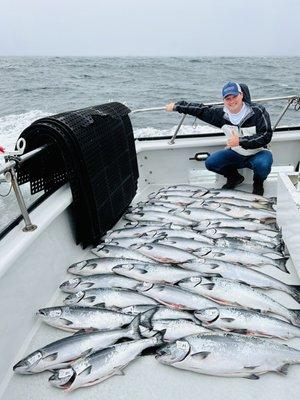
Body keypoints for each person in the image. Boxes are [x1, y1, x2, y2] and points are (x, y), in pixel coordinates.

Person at [165, 82, 273, 195]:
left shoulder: (258, 111)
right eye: (227, 98)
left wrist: (240, 141)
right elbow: (200, 110)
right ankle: (234, 177)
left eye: (234, 96)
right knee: (211, 162)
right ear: (224, 100)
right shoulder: (221, 115)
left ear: (241, 95)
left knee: (263, 164)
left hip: (258, 153)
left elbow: (266, 135)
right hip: (235, 153)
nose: (231, 101)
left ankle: (258, 183)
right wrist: (177, 106)